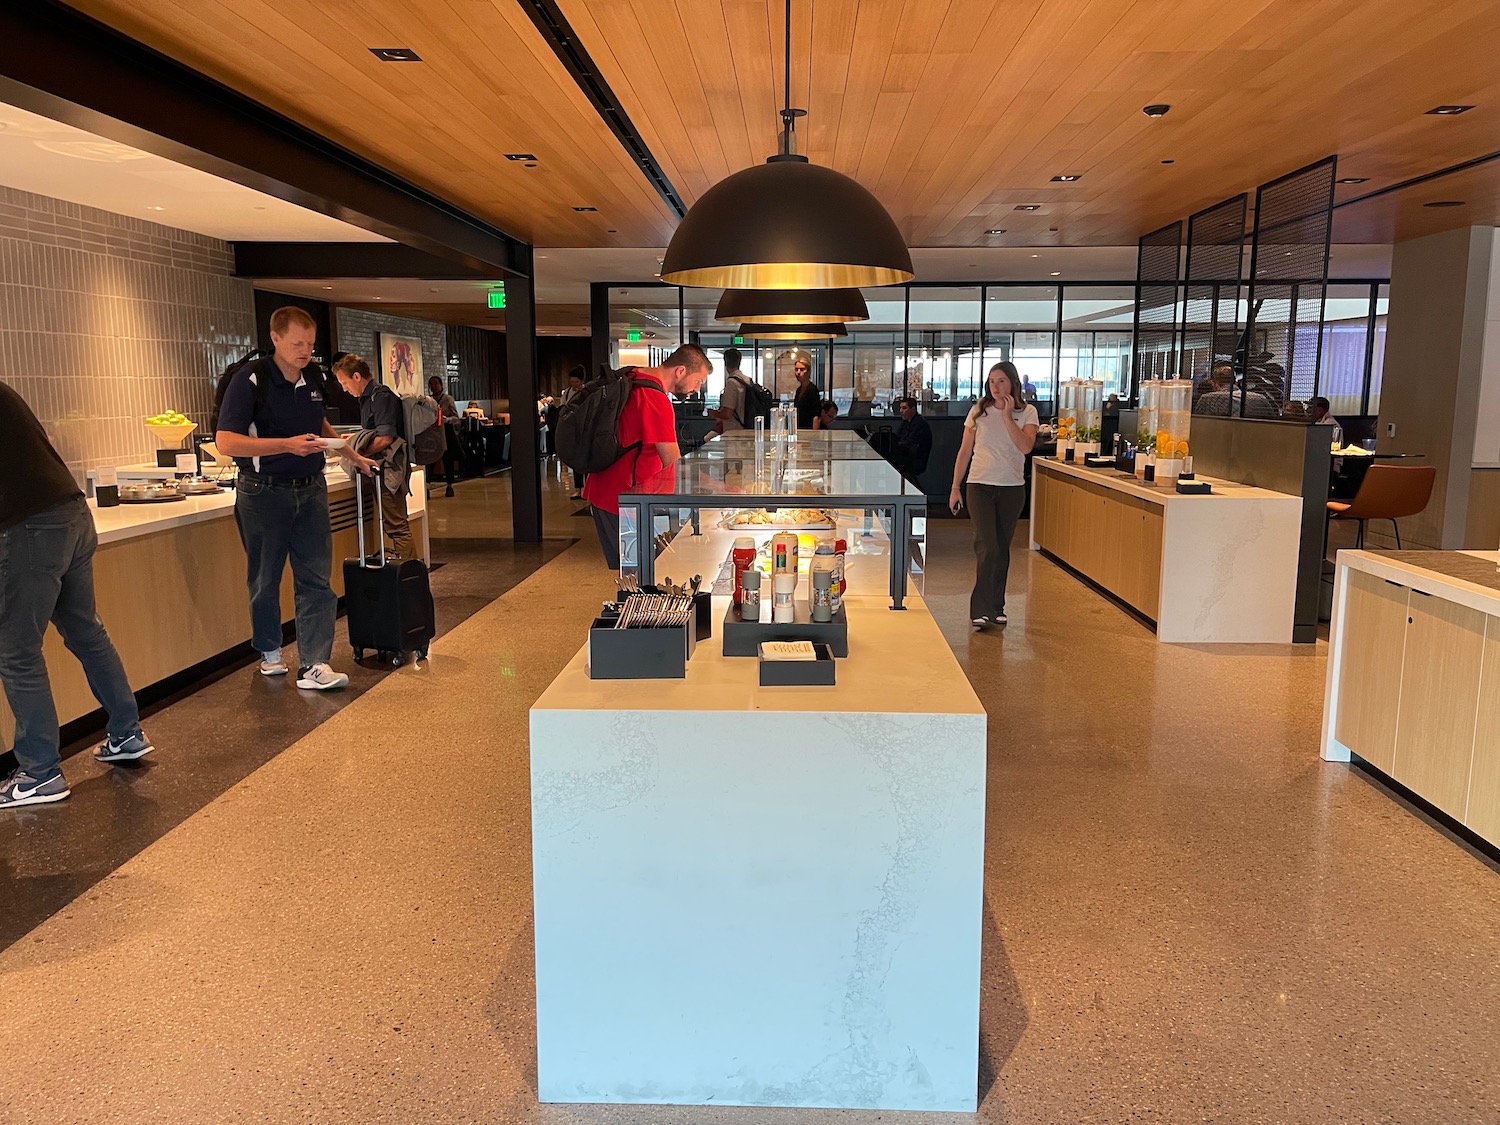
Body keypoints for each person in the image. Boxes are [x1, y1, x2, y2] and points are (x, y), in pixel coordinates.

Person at [0, 383, 154, 807]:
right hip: (71, 513)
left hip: (30, 526)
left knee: (16, 651)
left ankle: (39, 773)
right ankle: (126, 732)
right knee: (85, 629)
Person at [215, 306, 360, 691]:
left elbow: (318, 423)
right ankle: (269, 652)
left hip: (310, 488)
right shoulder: (250, 379)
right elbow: (226, 441)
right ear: (275, 339)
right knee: (265, 577)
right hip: (263, 492)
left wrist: (352, 453)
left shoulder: (311, 376)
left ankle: (315, 663)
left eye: (310, 344)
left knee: (316, 578)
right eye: (297, 343)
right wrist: (285, 446)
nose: (305, 350)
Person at [582, 345, 712, 571]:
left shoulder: (632, 376)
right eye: (698, 380)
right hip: (627, 502)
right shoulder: (654, 397)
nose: (697, 389)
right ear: (680, 371)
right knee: (646, 578)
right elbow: (673, 462)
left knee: (631, 576)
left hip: (604, 493)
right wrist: (716, 486)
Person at [949, 361, 1038, 630]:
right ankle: (980, 608)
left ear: (1012, 383)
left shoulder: (1027, 412)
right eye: (991, 381)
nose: (995, 387)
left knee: (1001, 549)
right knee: (986, 544)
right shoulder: (979, 411)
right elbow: (965, 450)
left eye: (1000, 381)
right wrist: (955, 486)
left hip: (1011, 488)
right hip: (979, 485)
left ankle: (997, 607)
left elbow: (1025, 447)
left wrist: (1008, 416)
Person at [332, 355, 411, 560]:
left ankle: (409, 581)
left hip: (389, 469)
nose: (344, 389)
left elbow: (385, 438)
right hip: (382, 469)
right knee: (394, 524)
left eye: (344, 382)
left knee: (397, 526)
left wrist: (356, 453)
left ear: (356, 376)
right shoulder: (370, 398)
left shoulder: (380, 397)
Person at [427, 375, 461, 498]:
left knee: (448, 459)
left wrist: (447, 420)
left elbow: (456, 418)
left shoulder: (447, 399)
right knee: (430, 458)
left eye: (436, 383)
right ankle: (427, 486)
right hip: (432, 432)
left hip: (446, 431)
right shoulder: (428, 400)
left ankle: (450, 485)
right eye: (431, 384)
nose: (434, 386)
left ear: (441, 385)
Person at [560, 366, 588, 498]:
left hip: (585, 431)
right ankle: (578, 488)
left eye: (577, 382)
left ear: (582, 381)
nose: (574, 385)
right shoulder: (567, 393)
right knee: (576, 461)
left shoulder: (588, 392)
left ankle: (587, 489)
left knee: (587, 462)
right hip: (573, 431)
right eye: (572, 382)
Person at [892, 396, 933, 482]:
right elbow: (898, 437)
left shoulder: (919, 424)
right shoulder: (907, 422)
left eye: (904, 408)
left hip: (914, 460)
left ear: (913, 409)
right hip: (907, 457)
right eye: (900, 408)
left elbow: (910, 442)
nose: (901, 411)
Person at [712, 347, 750, 432]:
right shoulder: (747, 380)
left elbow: (727, 414)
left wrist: (713, 413)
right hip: (747, 427)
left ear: (725, 362)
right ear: (739, 362)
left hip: (734, 430)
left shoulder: (731, 382)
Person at [791, 350, 822, 429]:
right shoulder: (799, 390)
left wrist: (814, 435)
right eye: (796, 369)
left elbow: (816, 415)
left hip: (808, 429)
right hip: (799, 429)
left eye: (802, 369)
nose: (798, 372)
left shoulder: (812, 390)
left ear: (808, 372)